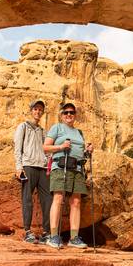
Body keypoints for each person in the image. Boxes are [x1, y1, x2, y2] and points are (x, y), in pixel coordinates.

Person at [43, 102, 93, 249]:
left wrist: (88, 151)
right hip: (60, 166)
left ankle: (74, 237)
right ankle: (53, 236)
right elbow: (45, 147)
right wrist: (60, 147)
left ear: (75, 115)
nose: (69, 115)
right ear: (62, 115)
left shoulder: (79, 133)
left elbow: (81, 153)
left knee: (76, 201)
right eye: (66, 113)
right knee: (58, 198)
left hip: (78, 169)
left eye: (71, 112)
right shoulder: (56, 128)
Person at [14, 99, 50, 244]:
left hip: (42, 167)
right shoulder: (23, 126)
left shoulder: (42, 131)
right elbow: (18, 148)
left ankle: (46, 232)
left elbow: (46, 150)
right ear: (31, 111)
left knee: (48, 199)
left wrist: (49, 165)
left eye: (40, 110)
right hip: (28, 166)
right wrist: (19, 167)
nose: (38, 112)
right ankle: (27, 231)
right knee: (27, 199)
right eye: (35, 109)